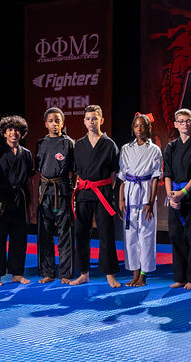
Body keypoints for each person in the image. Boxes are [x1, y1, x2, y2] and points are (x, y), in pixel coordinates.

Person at [70, 105, 121, 287]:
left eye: (94, 118)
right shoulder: (79, 145)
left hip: (103, 193)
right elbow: (76, 172)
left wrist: (107, 190)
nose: (91, 122)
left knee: (106, 232)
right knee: (80, 232)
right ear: (84, 121)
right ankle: (84, 273)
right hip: (84, 192)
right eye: (88, 119)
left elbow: (114, 173)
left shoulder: (109, 144)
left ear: (101, 120)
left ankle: (110, 274)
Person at [0, 115, 34, 286]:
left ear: (22, 133)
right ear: (4, 133)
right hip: (1, 200)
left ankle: (17, 273)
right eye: (10, 130)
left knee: (19, 238)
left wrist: (32, 205)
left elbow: (29, 182)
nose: (13, 133)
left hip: (20, 199)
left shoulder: (26, 154)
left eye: (17, 130)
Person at [118, 113, 163, 287]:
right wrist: (121, 199)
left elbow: (155, 177)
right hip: (129, 192)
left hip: (145, 193)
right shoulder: (126, 148)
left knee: (146, 234)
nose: (139, 129)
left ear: (148, 128)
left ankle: (144, 274)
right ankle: (134, 272)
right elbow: (122, 177)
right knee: (130, 234)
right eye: (136, 126)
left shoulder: (154, 150)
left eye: (142, 126)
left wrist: (151, 202)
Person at [164, 108, 191, 290]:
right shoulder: (171, 147)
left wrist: (183, 193)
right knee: (176, 235)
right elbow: (167, 173)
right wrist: (171, 195)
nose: (184, 124)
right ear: (175, 124)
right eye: (181, 121)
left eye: (188, 120)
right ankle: (180, 276)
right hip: (174, 196)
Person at [35, 107, 75, 284]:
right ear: (46, 124)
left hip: (62, 192)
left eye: (57, 121)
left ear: (63, 123)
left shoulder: (69, 143)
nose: (54, 124)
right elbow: (38, 167)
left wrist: (72, 192)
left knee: (65, 233)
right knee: (45, 234)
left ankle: (65, 272)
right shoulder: (40, 143)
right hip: (45, 193)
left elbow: (75, 170)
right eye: (51, 121)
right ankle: (48, 272)